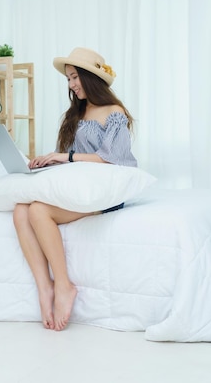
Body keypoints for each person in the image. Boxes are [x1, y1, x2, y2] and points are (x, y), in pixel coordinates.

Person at [12, 47, 137, 331]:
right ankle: (46, 288)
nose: (71, 85)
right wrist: (48, 161)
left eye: (74, 78)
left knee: (39, 211)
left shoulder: (114, 112)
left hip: (104, 192)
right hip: (77, 186)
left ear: (90, 78)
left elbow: (113, 158)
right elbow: (67, 157)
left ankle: (65, 286)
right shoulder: (74, 114)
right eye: (68, 79)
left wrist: (64, 157)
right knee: (21, 209)